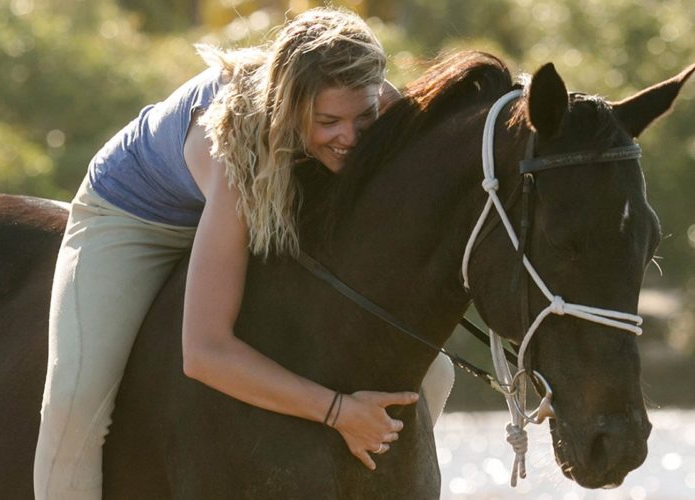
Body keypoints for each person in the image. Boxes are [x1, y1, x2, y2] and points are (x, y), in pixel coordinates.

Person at [34, 7, 454, 499]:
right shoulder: (236, 153)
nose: (352, 138)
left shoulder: (379, 108)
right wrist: (337, 411)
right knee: (74, 402)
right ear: (289, 107)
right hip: (134, 215)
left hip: (252, 216)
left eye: (363, 117)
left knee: (438, 371)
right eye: (328, 121)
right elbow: (205, 353)